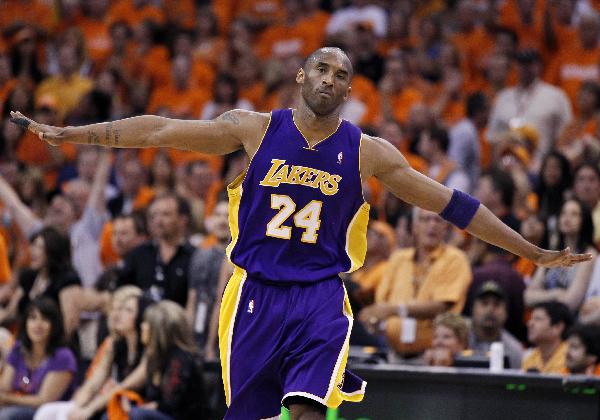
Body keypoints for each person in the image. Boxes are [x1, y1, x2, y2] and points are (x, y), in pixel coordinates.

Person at [10, 47, 591, 420]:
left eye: (343, 75)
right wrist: (71, 135)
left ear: (347, 90)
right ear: (300, 74)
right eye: (323, 68)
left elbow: (454, 205)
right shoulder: (253, 130)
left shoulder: (368, 152)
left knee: (310, 411)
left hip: (319, 297)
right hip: (257, 293)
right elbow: (159, 128)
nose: (331, 79)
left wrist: (530, 250)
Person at [0, 298, 77, 420]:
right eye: (33, 318)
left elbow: (44, 400)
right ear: (25, 323)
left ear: (54, 325)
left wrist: (7, 399)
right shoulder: (19, 349)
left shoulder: (63, 356)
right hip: (15, 406)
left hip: (48, 413)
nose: (38, 324)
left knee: (6, 416)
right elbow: (4, 387)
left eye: (45, 319)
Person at [134, 300, 206, 420]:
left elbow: (170, 405)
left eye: (146, 322)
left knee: (138, 415)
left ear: (159, 329)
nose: (142, 326)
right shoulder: (155, 355)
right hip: (163, 414)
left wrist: (142, 408)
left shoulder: (180, 358)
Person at [467, 281, 524, 369]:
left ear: (506, 312)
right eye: (484, 303)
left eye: (497, 304)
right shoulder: (459, 340)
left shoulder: (514, 350)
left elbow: (516, 382)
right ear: (472, 309)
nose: (490, 309)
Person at [522, 301, 573, 374]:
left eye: (538, 319)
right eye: (531, 319)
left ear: (558, 327)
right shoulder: (529, 358)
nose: (530, 324)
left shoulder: (571, 357)